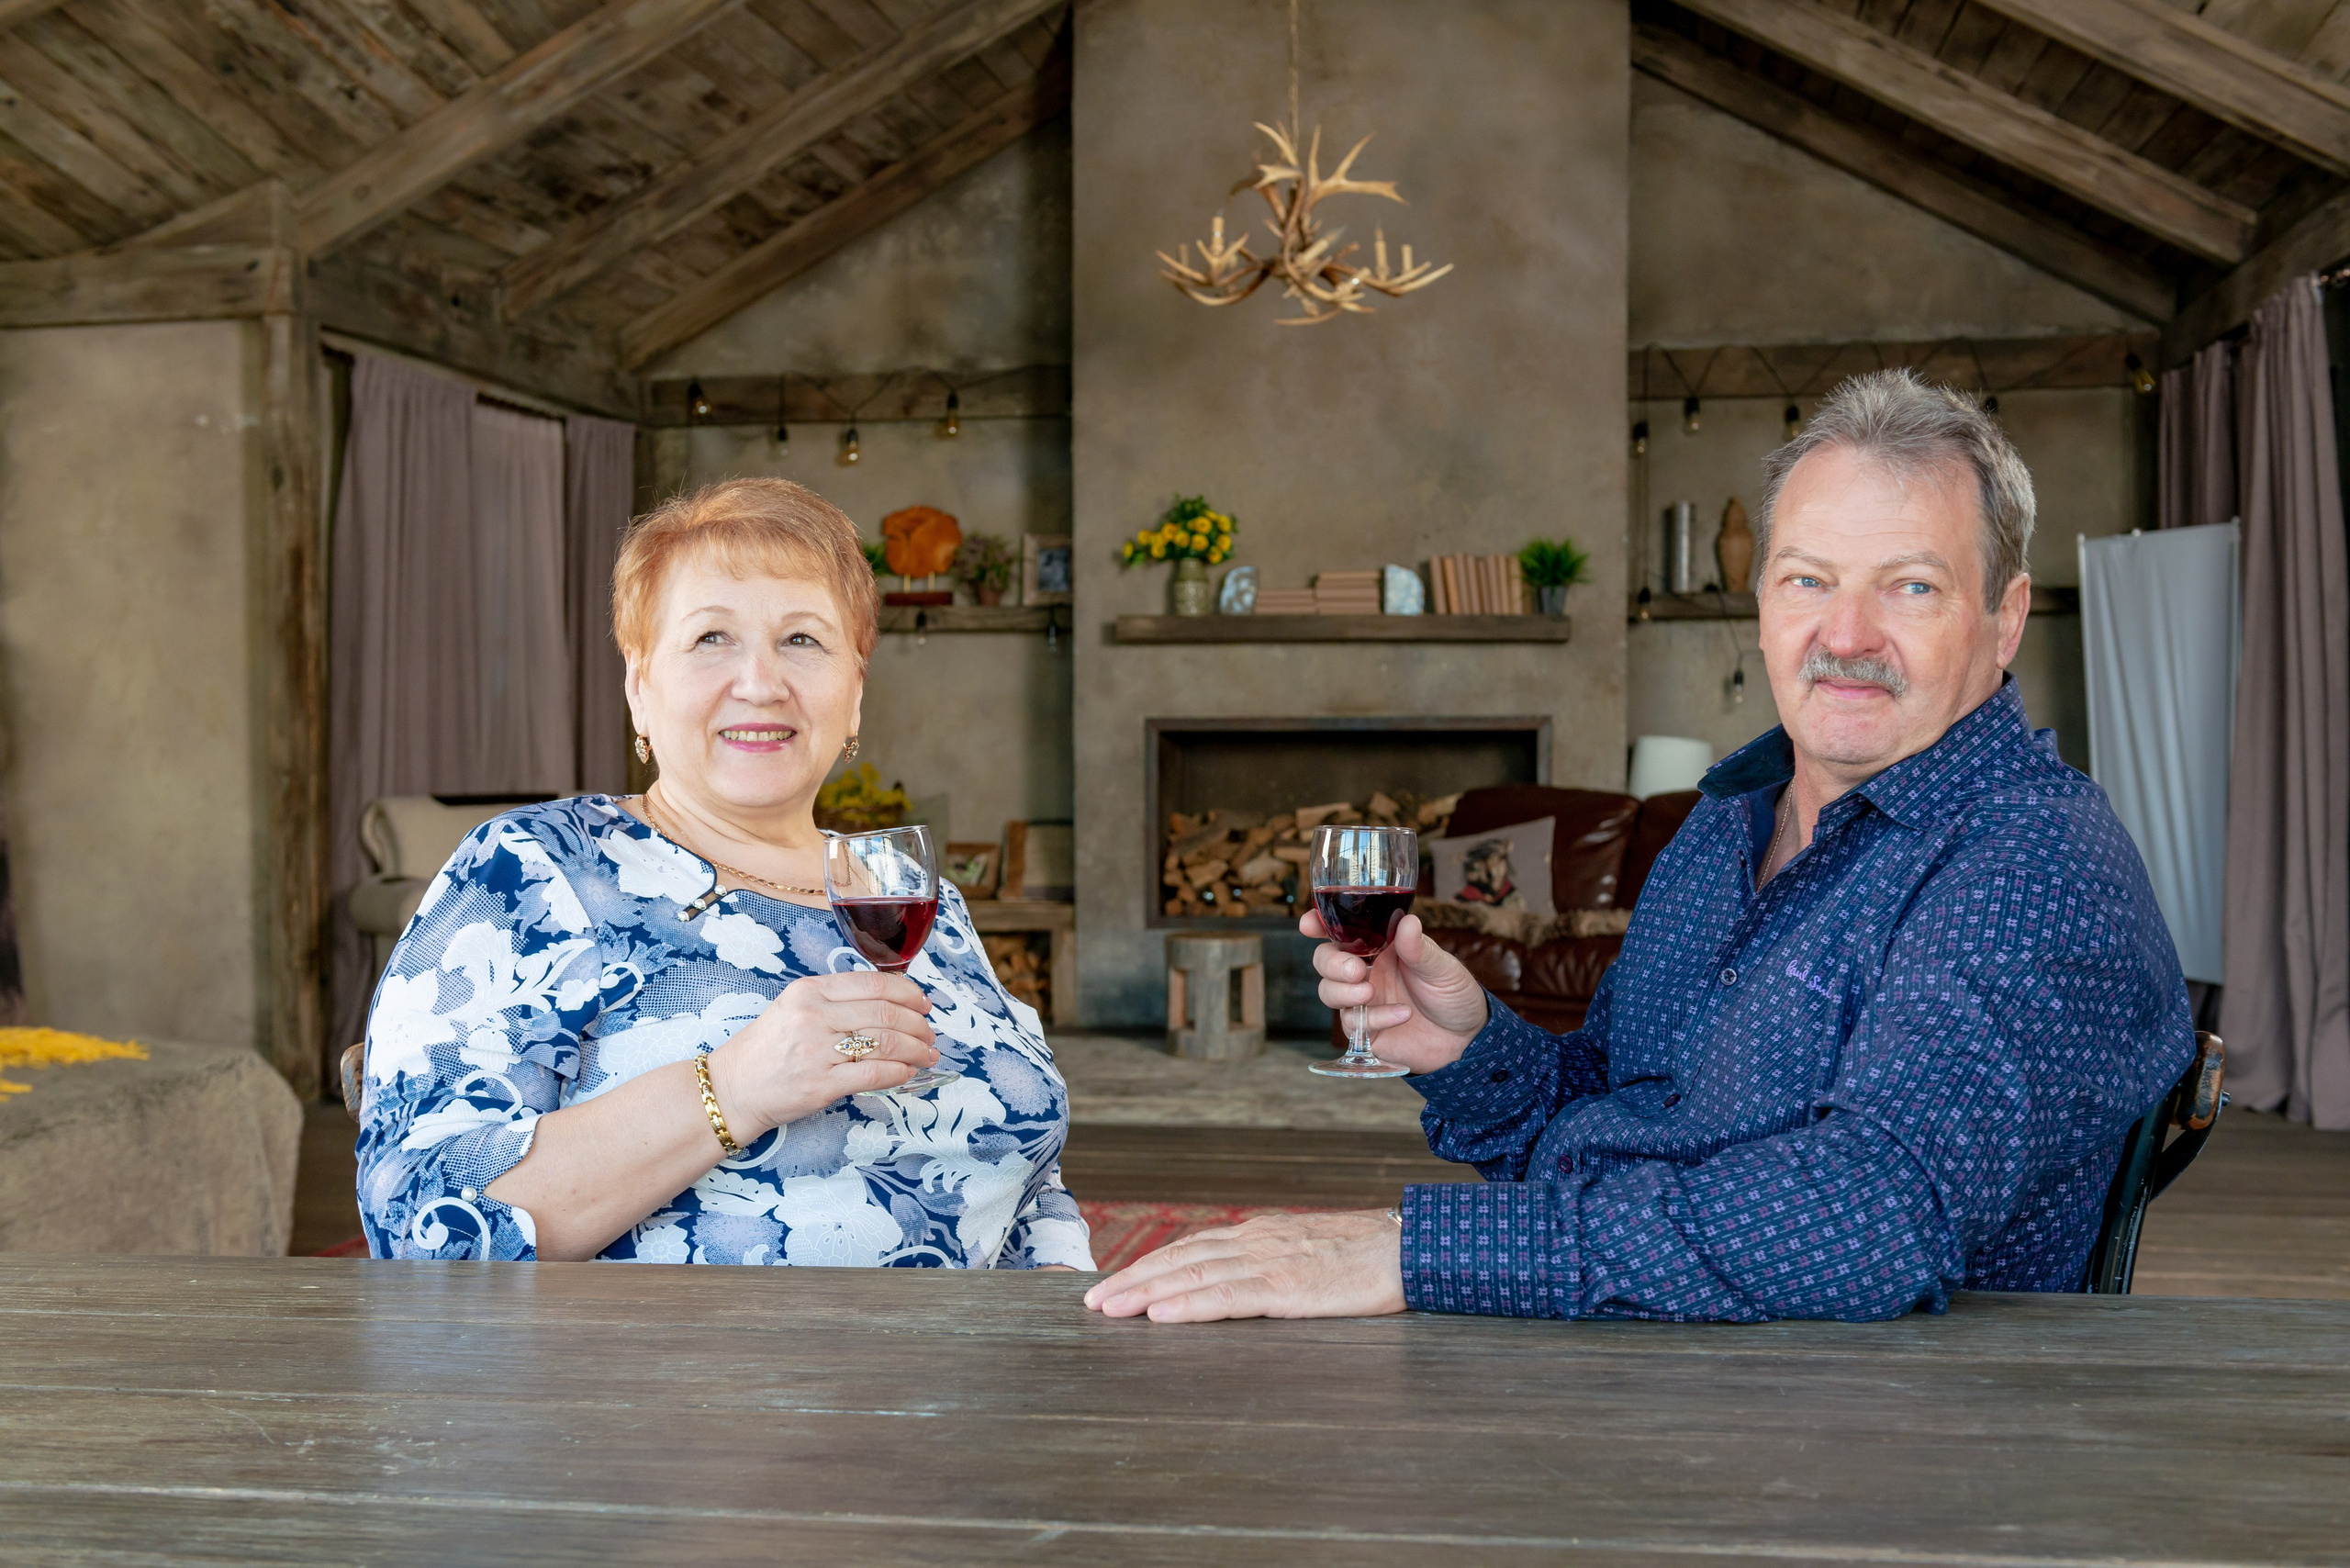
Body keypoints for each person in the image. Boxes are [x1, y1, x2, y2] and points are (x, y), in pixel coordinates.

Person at [1086, 368, 2194, 1324]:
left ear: (2002, 621)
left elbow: (1866, 1221)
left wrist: (1410, 1253)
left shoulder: (2033, 862)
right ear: (1760, 604)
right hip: (1660, 1349)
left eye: (1909, 586)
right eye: (1808, 579)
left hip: (1871, 1436)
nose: (1844, 636)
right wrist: (1468, 1049)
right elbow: (1622, 1109)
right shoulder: (1728, 818)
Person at [357, 478, 1091, 1269]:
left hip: (977, 1380)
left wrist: (1072, 1328)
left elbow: (1030, 1178)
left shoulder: (914, 897)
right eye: (711, 638)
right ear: (640, 689)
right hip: (683, 1385)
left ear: (853, 699)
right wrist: (732, 1088)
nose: (761, 682)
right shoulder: (536, 869)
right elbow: (417, 1221)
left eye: (803, 641)